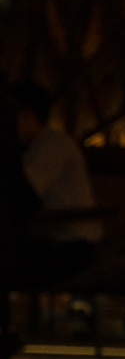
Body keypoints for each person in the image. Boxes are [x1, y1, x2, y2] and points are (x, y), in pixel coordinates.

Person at [14, 80, 102, 284]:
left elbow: (25, 193)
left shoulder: (52, 144)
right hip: (59, 243)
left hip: (72, 246)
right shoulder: (38, 148)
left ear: (27, 114)